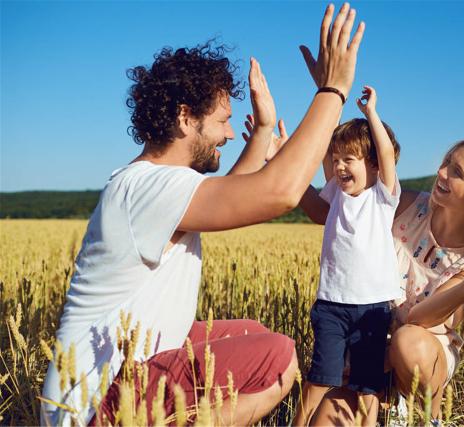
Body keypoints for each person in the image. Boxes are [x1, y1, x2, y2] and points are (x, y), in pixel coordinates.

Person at [40, 3, 365, 426]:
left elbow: (230, 192)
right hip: (94, 404)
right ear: (184, 118)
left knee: (253, 333)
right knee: (279, 357)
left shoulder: (152, 183)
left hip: (124, 373)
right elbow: (279, 191)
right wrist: (332, 92)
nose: (231, 133)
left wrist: (264, 130)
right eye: (223, 122)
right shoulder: (149, 187)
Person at [299, 138, 464, 425]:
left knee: (408, 341)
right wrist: (292, 170)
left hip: (420, 355)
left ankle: (428, 416)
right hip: (367, 339)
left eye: (456, 172)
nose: (441, 173)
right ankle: (383, 402)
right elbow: (338, 206)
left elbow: (419, 319)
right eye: (446, 163)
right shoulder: (406, 205)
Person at [291, 86, 402, 426]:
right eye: (336, 159)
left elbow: (384, 151)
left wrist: (371, 114)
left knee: (369, 386)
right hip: (331, 305)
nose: (338, 167)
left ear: (371, 165)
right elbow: (325, 150)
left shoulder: (383, 197)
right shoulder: (336, 194)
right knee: (319, 378)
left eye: (347, 160)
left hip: (373, 307)